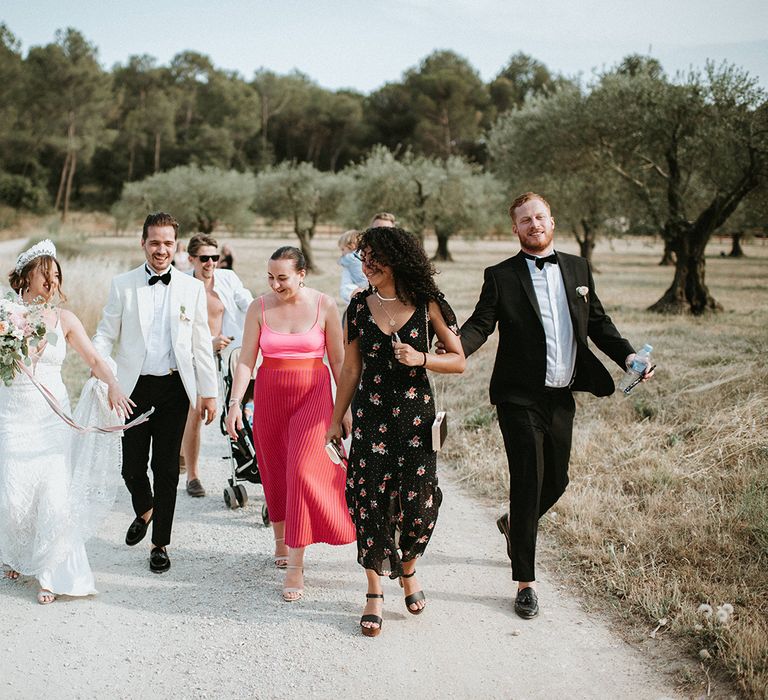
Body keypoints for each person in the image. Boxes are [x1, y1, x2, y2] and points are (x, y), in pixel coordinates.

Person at [458, 192, 653, 619]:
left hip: (561, 395)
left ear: (552, 221)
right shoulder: (500, 275)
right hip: (517, 397)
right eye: (524, 220)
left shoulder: (577, 267)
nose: (534, 224)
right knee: (528, 481)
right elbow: (479, 325)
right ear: (515, 229)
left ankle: (514, 524)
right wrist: (455, 347)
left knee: (558, 480)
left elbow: (598, 322)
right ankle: (525, 582)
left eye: (539, 216)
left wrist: (628, 357)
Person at [325, 226, 465, 637]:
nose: (365, 265)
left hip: (416, 419)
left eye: (374, 258)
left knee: (417, 505)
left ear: (397, 260)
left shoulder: (428, 304)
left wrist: (421, 358)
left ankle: (408, 568)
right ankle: (373, 591)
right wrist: (337, 419)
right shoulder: (358, 307)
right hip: (371, 418)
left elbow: (458, 361)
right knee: (368, 500)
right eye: (363, 257)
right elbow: (351, 368)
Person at [0, 241, 134, 604]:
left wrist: (113, 384)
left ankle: (51, 573)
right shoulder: (4, 315)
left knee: (54, 495)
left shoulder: (66, 319)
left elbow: (93, 358)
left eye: (57, 275)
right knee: (14, 497)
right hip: (14, 414)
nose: (52, 282)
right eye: (46, 274)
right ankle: (20, 554)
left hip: (52, 417)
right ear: (27, 276)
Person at [226, 246, 354, 602]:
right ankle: (281, 541)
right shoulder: (258, 307)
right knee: (276, 468)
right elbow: (245, 362)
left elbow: (339, 363)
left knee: (300, 469)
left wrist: (344, 411)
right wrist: (235, 403)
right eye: (270, 276)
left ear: (302, 274)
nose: (275, 284)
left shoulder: (326, 305)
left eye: (283, 277)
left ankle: (296, 565)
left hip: (313, 396)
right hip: (269, 396)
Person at [93, 212, 218, 574]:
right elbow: (105, 331)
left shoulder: (191, 289)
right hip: (134, 388)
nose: (160, 249)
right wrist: (97, 360)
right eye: (154, 242)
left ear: (176, 246)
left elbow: (199, 346)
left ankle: (160, 543)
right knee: (132, 467)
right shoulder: (123, 284)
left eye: (167, 243)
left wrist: (208, 392)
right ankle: (146, 509)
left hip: (174, 388)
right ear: (142, 242)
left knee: (166, 468)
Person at [180, 233, 253, 497]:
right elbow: (178, 328)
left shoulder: (228, 278)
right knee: (196, 412)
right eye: (204, 258)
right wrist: (207, 343)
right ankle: (193, 475)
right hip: (197, 354)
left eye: (214, 257)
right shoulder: (181, 286)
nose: (210, 263)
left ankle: (250, 462)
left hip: (230, 351)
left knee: (242, 407)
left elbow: (246, 300)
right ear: (191, 259)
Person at [337, 230, 368, 304]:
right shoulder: (363, 254)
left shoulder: (350, 257)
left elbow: (340, 262)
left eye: (343, 249)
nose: (342, 253)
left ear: (351, 246)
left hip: (360, 284)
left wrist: (340, 259)